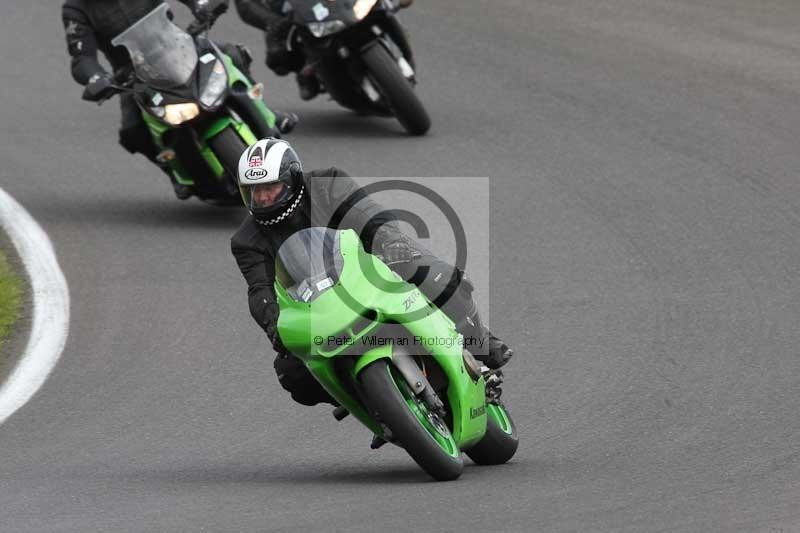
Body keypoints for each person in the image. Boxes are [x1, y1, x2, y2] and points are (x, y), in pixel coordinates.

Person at [230, 138, 512, 406]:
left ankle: (479, 342)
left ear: (292, 179)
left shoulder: (326, 184)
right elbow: (259, 289)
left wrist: (389, 240)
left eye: (271, 187)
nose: (263, 197)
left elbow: (367, 213)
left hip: (370, 264)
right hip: (318, 303)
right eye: (254, 191)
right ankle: (367, 398)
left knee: (436, 276)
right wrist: (273, 324)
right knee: (291, 372)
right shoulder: (246, 241)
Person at [61, 0, 297, 199]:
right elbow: (82, 58)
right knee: (132, 132)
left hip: (178, 49)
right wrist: (97, 78)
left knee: (232, 54)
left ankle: (266, 111)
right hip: (133, 75)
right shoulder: (76, 10)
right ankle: (172, 169)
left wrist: (200, 4)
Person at [233, 0, 413, 101]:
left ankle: (402, 49)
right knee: (279, 57)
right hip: (296, 12)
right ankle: (307, 69)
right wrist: (273, 23)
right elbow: (246, 5)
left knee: (382, 7)